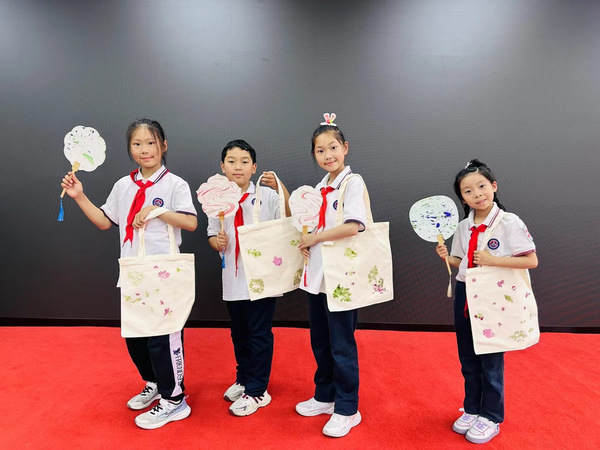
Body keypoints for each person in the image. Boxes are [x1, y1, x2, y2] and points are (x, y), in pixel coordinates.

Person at [61, 118, 198, 430]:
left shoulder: (175, 184)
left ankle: (175, 399)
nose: (144, 149)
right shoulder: (123, 186)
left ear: (164, 146)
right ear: (129, 149)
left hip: (163, 272)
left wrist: (156, 210)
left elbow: (190, 223)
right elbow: (105, 221)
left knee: (162, 337)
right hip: (133, 271)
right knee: (136, 337)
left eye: (151, 143)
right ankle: (155, 383)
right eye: (137, 144)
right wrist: (79, 195)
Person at [435, 159, 538, 444]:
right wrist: (446, 257)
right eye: (468, 191)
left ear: (494, 186)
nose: (477, 194)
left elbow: (531, 260)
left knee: (490, 359)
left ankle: (491, 416)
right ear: (462, 198)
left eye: (481, 186)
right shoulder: (463, 227)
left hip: (494, 297)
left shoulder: (509, 222)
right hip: (465, 293)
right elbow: (461, 262)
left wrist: (493, 260)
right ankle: (472, 408)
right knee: (468, 357)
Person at [206, 139, 290, 417]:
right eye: (231, 161)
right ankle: (243, 378)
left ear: (254, 168)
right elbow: (211, 234)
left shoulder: (267, 196)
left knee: (258, 333)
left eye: (244, 161)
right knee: (239, 332)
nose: (237, 167)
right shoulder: (217, 199)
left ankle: (258, 390)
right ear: (222, 166)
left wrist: (281, 188)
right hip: (233, 276)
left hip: (262, 278)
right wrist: (216, 242)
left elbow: (290, 217)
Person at [295, 114, 366, 438]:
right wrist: (306, 242)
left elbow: (353, 225)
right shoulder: (318, 188)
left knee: (341, 344)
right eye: (320, 150)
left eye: (333, 147)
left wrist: (316, 238)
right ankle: (325, 396)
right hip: (318, 276)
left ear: (345, 147)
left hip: (342, 276)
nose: (328, 155)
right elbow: (311, 227)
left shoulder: (353, 183)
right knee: (320, 341)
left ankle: (348, 408)